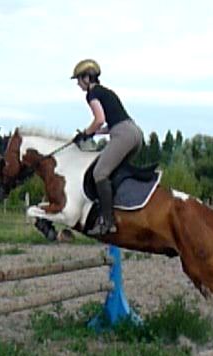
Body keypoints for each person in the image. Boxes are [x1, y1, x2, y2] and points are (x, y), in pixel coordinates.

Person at [71, 59, 143, 235]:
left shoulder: (92, 94)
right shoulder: (107, 92)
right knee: (113, 172)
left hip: (123, 135)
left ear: (87, 78)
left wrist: (86, 134)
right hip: (135, 134)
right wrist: (93, 132)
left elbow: (99, 119)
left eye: (79, 79)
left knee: (99, 173)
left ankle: (108, 222)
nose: (78, 84)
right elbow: (112, 123)